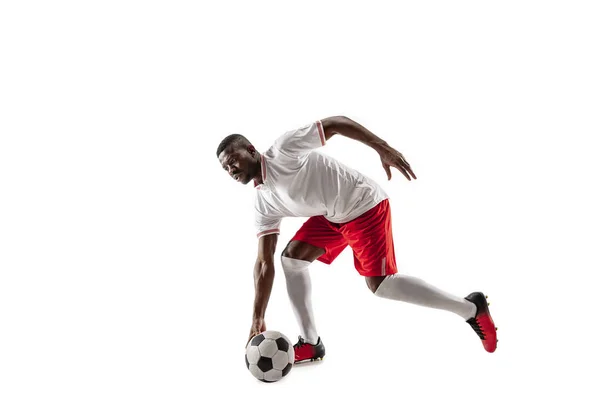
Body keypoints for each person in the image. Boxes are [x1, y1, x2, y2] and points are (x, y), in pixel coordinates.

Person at [216, 116, 498, 363]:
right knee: (290, 259)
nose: (231, 170)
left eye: (232, 161)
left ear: (251, 150)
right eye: (225, 169)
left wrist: (382, 147)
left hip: (363, 204)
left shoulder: (283, 150)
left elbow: (335, 123)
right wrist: (257, 317)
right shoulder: (263, 202)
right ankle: (311, 343)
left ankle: (471, 308)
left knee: (382, 285)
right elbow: (264, 263)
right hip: (333, 216)